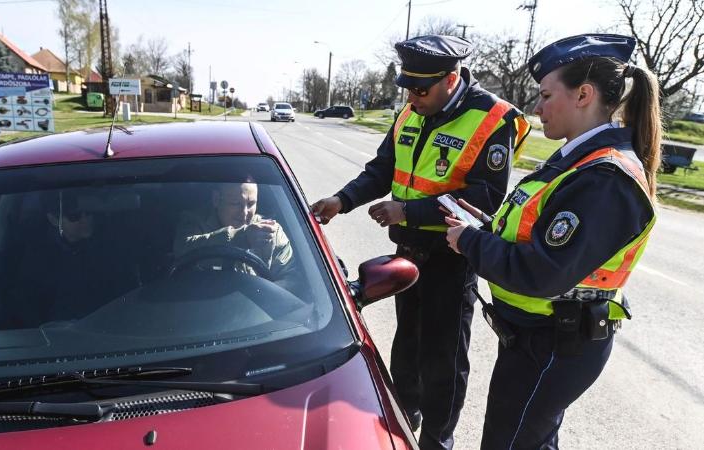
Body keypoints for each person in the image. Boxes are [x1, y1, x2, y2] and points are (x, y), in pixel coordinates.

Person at [310, 35, 530, 449]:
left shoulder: (491, 119)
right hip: (407, 255)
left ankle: (436, 439)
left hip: (451, 258)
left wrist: (409, 211)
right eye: (407, 87)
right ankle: (403, 423)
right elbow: (382, 169)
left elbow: (486, 198)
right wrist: (343, 200)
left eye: (421, 88)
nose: (412, 97)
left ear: (450, 79)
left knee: (443, 359)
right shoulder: (410, 111)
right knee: (407, 345)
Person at [444, 34, 660, 449]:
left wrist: (470, 243)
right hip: (539, 339)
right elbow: (539, 236)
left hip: (553, 344)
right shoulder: (576, 160)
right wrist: (486, 227)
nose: (537, 108)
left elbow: (542, 271)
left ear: (583, 94)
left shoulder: (604, 177)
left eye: (545, 95)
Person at [8, 189, 140, 326]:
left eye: (89, 212)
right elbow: (27, 307)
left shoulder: (113, 249)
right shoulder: (36, 258)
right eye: (74, 216)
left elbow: (129, 298)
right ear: (53, 219)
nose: (86, 219)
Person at [173, 181, 294, 284]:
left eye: (251, 204)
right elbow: (183, 250)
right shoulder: (195, 222)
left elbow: (292, 279)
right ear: (216, 200)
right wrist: (241, 237)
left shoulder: (271, 231)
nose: (245, 213)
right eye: (236, 204)